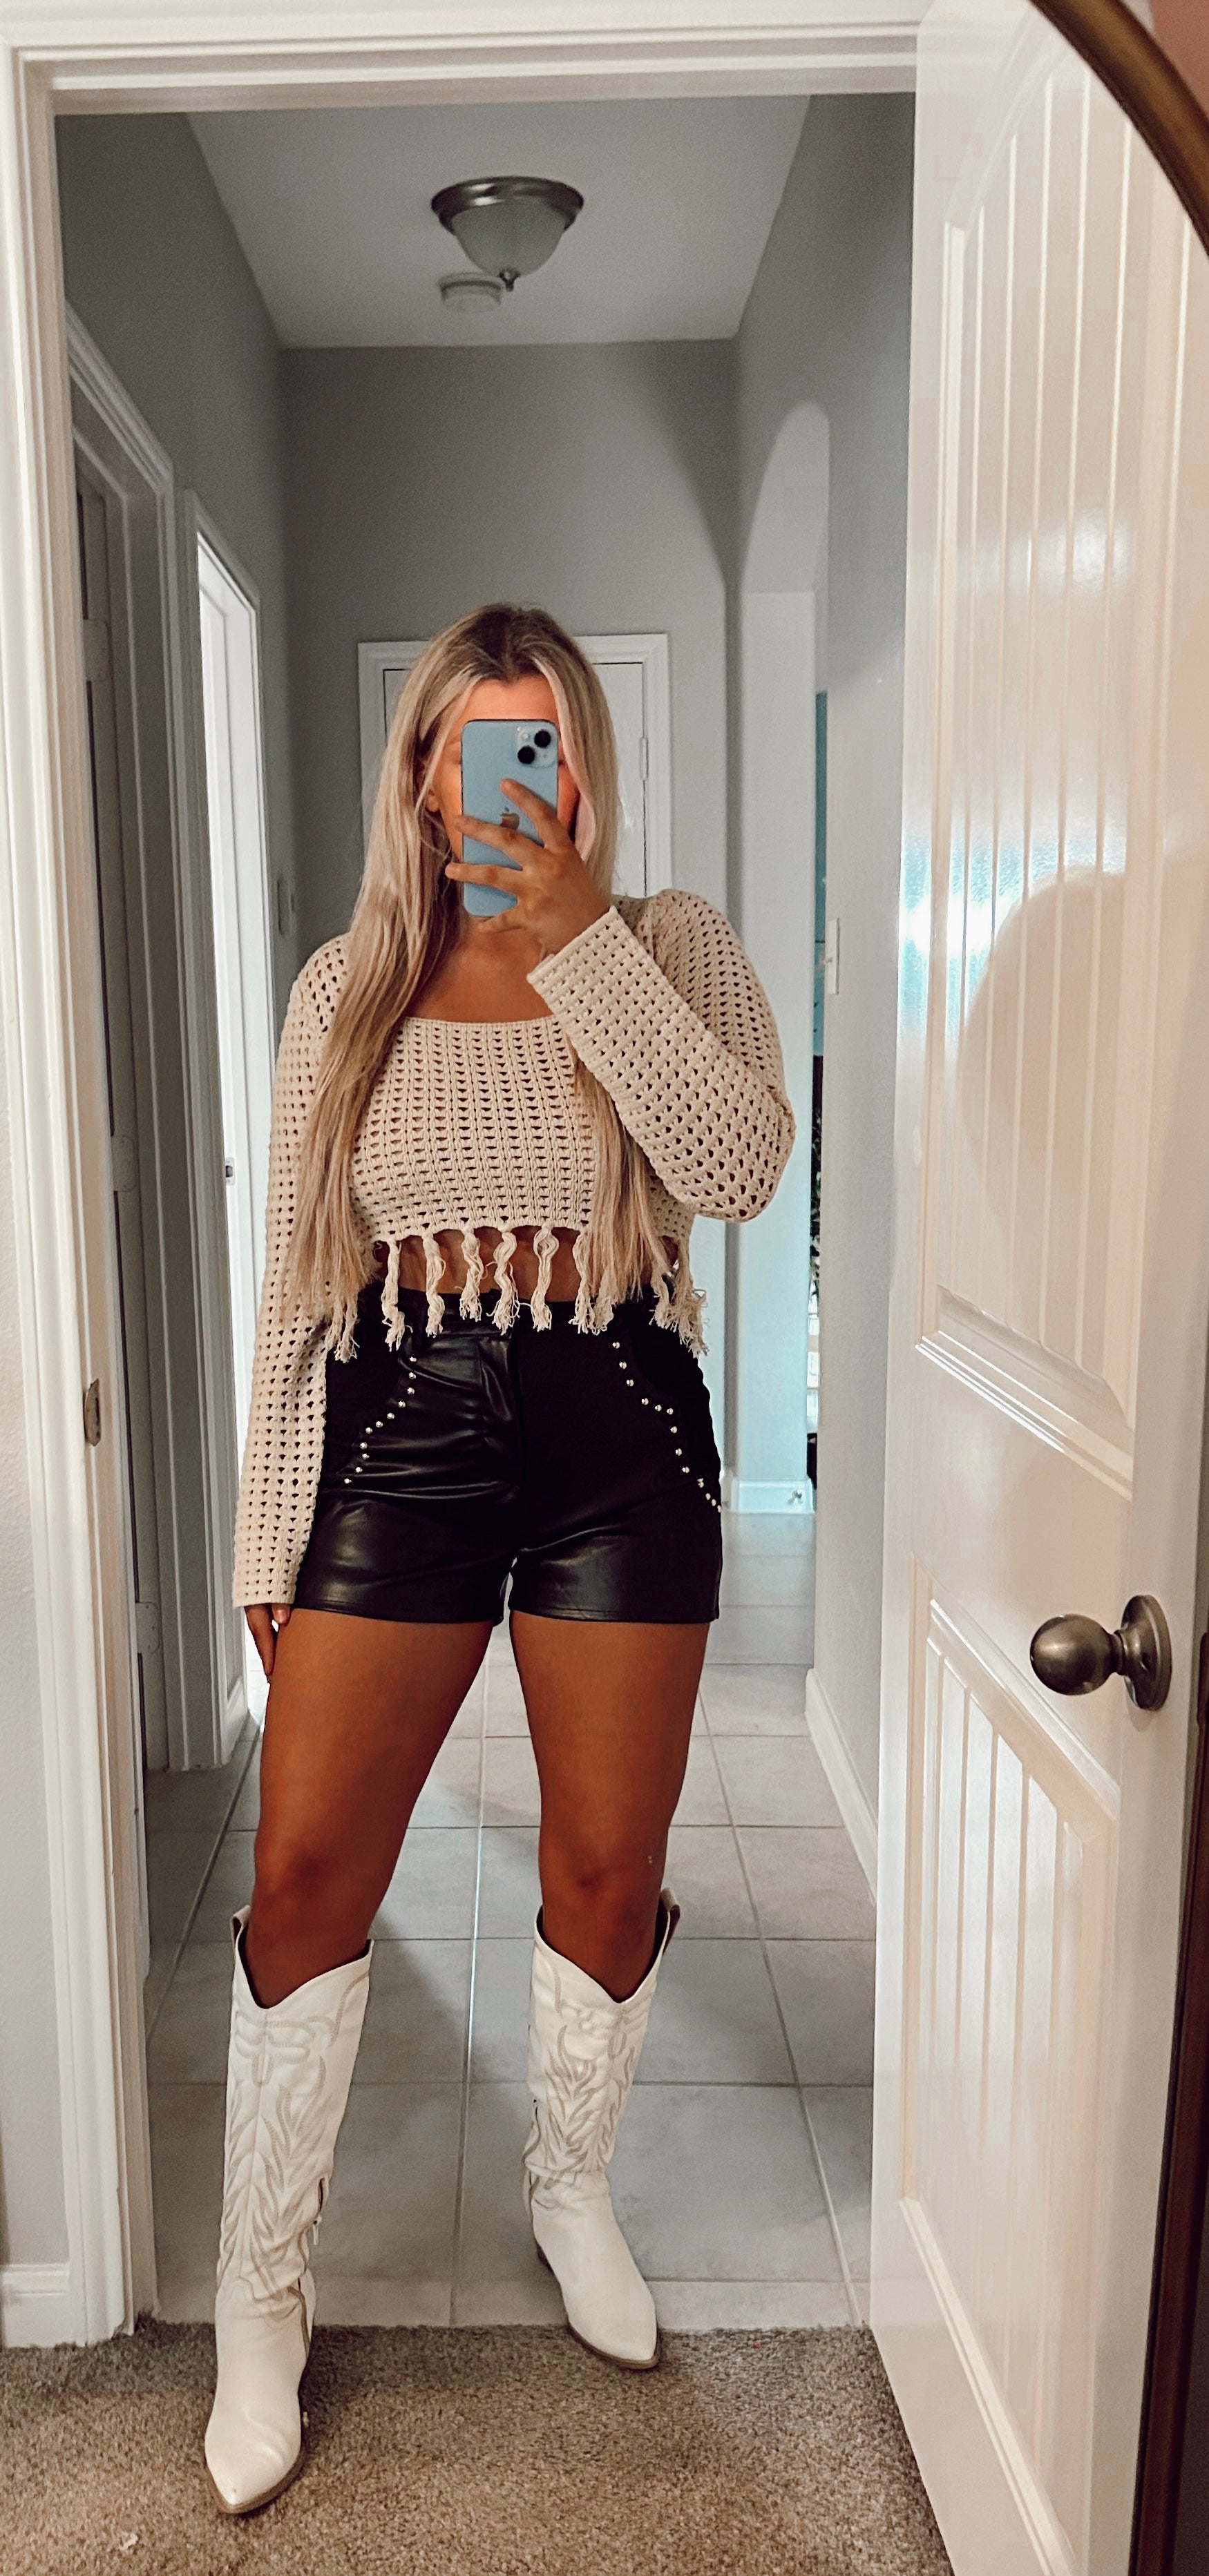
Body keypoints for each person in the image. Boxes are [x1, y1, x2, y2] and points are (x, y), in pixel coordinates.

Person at [203, 602, 794, 2515]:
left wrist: (574, 937)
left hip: (622, 1418)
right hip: (401, 1415)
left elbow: (740, 1164)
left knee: (608, 1868)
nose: (502, 788)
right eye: (472, 749)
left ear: (581, 767)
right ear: (421, 771)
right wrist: (266, 1530)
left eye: (539, 747)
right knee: (306, 1865)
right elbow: (297, 1286)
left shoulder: (672, 946)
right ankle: (260, 2293)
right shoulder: (347, 987)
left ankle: (569, 2189)